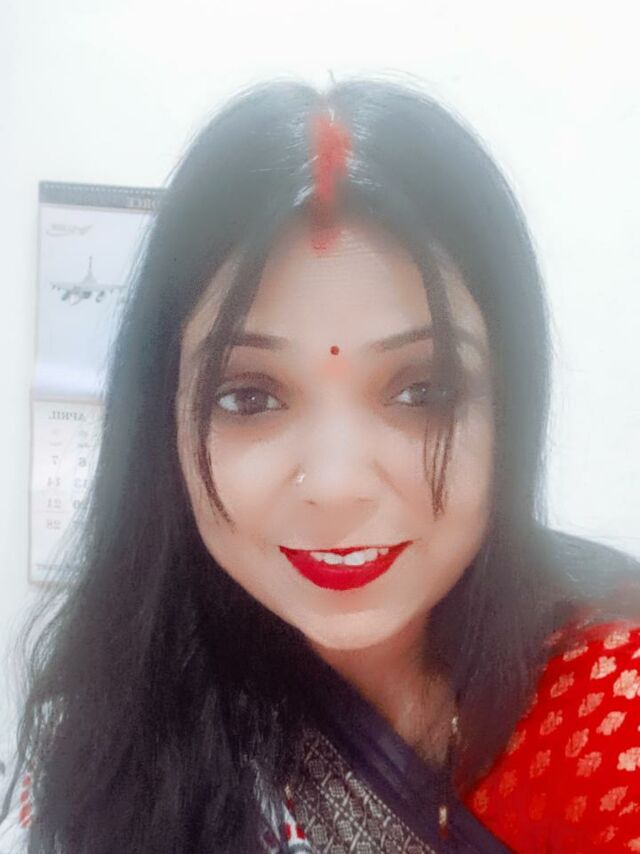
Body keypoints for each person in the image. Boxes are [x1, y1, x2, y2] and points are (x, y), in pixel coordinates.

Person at [3, 75, 640, 853]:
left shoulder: (611, 710)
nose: (336, 488)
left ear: (510, 406)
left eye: (424, 390)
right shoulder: (106, 724)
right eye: (249, 397)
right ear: (161, 418)